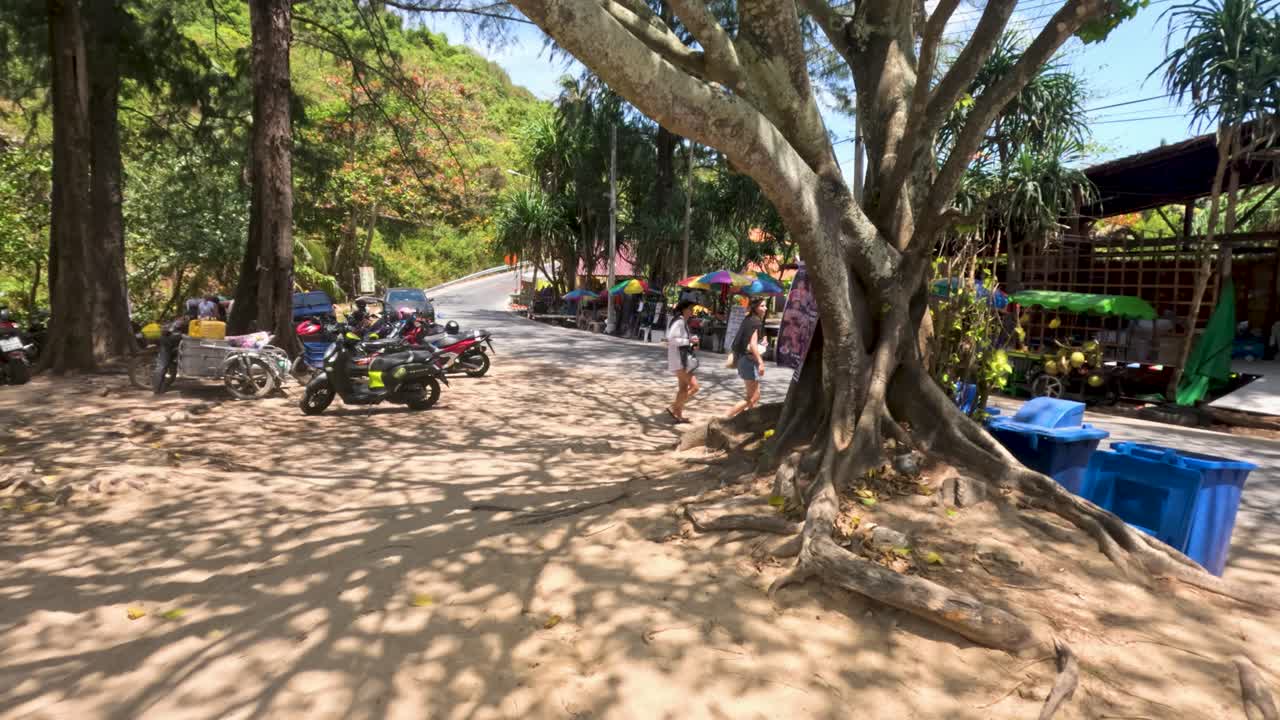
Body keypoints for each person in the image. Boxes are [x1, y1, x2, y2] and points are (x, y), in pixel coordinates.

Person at [728, 298, 767, 418]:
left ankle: (749, 421)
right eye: (762, 306)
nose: (765, 308)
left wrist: (763, 338)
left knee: (753, 396)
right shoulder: (756, 322)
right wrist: (761, 362)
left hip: (743, 360)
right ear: (755, 307)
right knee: (754, 397)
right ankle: (724, 417)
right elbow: (753, 345)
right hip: (748, 361)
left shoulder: (749, 319)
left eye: (765, 306)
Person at [666, 300, 700, 423]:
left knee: (683, 388)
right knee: (695, 387)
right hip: (679, 360)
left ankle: (678, 414)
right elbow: (671, 339)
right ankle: (673, 407)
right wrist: (689, 341)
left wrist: (691, 340)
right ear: (683, 309)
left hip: (681, 359)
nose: (692, 311)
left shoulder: (683, 322)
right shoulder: (679, 322)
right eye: (690, 308)